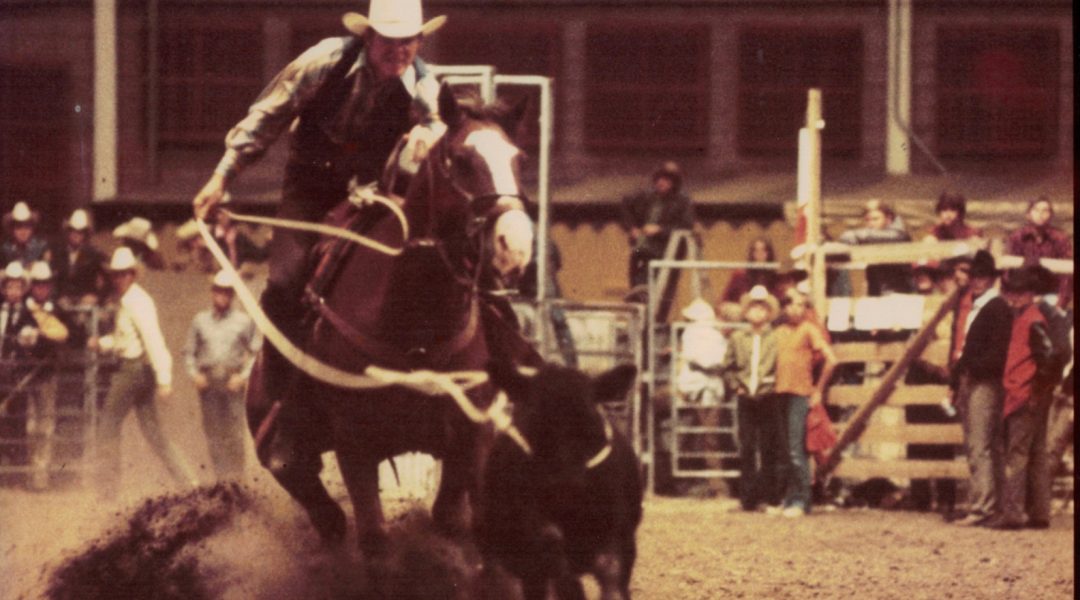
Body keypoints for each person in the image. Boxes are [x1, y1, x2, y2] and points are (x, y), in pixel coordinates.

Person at [189, 0, 453, 470]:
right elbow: (265, 118)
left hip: (371, 195)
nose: (400, 51)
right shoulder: (323, 62)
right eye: (390, 41)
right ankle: (283, 410)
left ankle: (430, 404)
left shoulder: (424, 85)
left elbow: (438, 126)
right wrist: (220, 179)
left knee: (414, 271)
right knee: (284, 284)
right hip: (309, 191)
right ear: (369, 37)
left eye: (409, 42)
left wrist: (428, 138)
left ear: (419, 41)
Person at [92, 247, 197, 500]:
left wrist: (164, 378)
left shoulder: (136, 301)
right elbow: (126, 338)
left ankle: (108, 491)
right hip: (138, 369)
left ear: (132, 274)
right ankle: (189, 482)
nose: (119, 279)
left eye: (124, 274)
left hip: (133, 370)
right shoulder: (130, 299)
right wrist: (104, 343)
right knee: (153, 431)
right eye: (116, 274)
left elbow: (153, 339)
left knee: (108, 426)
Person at [948, 250, 1012, 527]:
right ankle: (993, 504)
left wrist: (969, 368)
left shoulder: (995, 308)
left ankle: (983, 505)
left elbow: (997, 353)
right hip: (978, 378)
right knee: (987, 444)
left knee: (980, 444)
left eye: (982, 277)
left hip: (984, 380)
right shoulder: (986, 306)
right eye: (974, 276)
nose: (976, 281)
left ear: (991, 279)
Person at [994, 265, 1057, 529]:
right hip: (1032, 393)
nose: (1015, 297)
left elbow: (1048, 358)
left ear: (1030, 293)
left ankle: (1013, 512)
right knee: (1036, 452)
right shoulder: (1029, 318)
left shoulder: (1031, 320)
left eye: (1020, 292)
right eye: (1013, 292)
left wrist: (1036, 389)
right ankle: (1039, 512)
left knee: (1017, 454)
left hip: (1024, 392)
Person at [184, 270, 262, 480]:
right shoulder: (200, 321)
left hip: (231, 381)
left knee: (235, 433)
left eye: (227, 291)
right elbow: (189, 351)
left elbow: (256, 352)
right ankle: (221, 480)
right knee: (213, 433)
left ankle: (238, 480)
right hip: (209, 382)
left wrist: (243, 376)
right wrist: (194, 374)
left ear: (232, 294)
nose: (222, 295)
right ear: (212, 292)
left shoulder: (243, 322)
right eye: (218, 290)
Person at [773, 286, 837, 518]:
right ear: (784, 308)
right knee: (786, 450)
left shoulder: (809, 329)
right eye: (791, 304)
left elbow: (831, 360)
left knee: (796, 449)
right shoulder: (778, 332)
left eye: (801, 305)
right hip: (779, 393)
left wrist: (818, 390)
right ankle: (790, 498)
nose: (796, 309)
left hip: (800, 394)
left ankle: (802, 500)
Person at [721, 285, 782, 512]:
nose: (758, 312)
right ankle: (747, 499)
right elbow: (728, 366)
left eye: (762, 308)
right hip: (746, 397)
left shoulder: (775, 338)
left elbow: (781, 365)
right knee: (747, 447)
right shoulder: (738, 338)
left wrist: (774, 385)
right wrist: (736, 386)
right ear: (746, 312)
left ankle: (769, 497)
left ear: (769, 313)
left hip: (768, 396)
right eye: (754, 308)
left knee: (768, 447)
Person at [21, 261, 71, 490]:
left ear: (50, 286)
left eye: (45, 284)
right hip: (30, 372)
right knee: (32, 426)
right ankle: (33, 472)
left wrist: (49, 336)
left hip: (48, 372)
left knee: (46, 424)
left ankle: (42, 475)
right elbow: (21, 335)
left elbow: (68, 332)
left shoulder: (56, 309)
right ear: (32, 286)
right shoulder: (26, 310)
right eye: (38, 284)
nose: (42, 288)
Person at [621, 161, 695, 289]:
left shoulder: (683, 201)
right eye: (659, 179)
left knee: (658, 289)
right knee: (636, 286)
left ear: (674, 183)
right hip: (641, 248)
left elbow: (686, 226)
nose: (661, 182)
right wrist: (632, 228)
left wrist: (660, 230)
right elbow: (625, 204)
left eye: (666, 180)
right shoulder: (646, 196)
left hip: (664, 252)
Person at [0, 262, 39, 475]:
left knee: (17, 419)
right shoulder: (1, 311)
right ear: (4, 289)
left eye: (17, 287)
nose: (13, 291)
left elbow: (31, 341)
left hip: (17, 373)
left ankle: (17, 471)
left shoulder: (27, 314)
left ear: (23, 289)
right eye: (10, 287)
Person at [1006, 197, 1072, 309]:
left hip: (1051, 293)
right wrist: (1012, 297)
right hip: (1023, 293)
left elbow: (1067, 275)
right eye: (1036, 210)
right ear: (1028, 214)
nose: (1040, 214)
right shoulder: (1017, 237)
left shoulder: (1060, 238)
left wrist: (1061, 302)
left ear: (1051, 215)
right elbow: (1009, 271)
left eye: (1045, 210)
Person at [837, 199, 912, 296]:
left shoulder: (898, 234)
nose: (871, 223)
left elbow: (849, 237)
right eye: (867, 220)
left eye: (875, 219)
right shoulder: (870, 238)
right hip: (878, 293)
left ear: (888, 219)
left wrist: (851, 237)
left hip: (899, 294)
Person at [51, 208, 108, 307]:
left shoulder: (94, 255)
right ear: (68, 232)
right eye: (73, 231)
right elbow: (52, 281)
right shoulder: (58, 253)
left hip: (86, 304)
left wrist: (97, 296)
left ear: (85, 234)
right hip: (63, 304)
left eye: (80, 232)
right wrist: (58, 297)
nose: (76, 235)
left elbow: (108, 281)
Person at [717, 237, 778, 322]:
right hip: (741, 317)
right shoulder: (740, 275)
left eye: (763, 250)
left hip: (766, 319)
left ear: (769, 254)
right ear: (751, 254)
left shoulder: (775, 278)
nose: (759, 254)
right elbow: (723, 302)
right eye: (756, 251)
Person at [1, 202, 50, 268]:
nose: (23, 232)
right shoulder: (5, 249)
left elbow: (47, 269)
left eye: (27, 227)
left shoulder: (42, 247)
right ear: (12, 229)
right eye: (18, 227)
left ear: (32, 229)